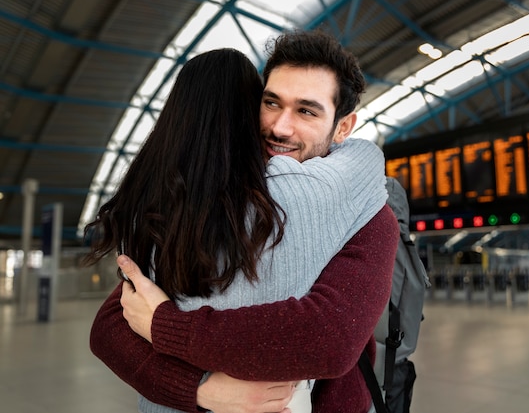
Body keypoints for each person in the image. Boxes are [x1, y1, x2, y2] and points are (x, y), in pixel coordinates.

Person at [89, 30, 398, 413]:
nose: (280, 128)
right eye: (271, 103)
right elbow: (111, 324)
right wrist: (199, 390)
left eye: (306, 110)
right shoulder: (212, 198)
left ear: (342, 128)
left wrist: (166, 326)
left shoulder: (370, 217)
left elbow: (329, 337)